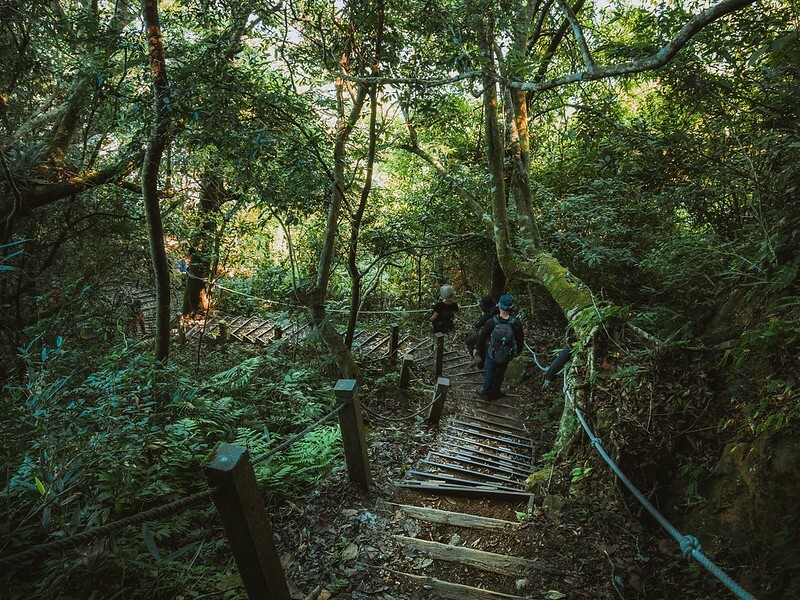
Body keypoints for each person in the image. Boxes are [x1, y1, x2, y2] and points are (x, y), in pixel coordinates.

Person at [474, 294, 524, 400]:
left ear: (499, 306)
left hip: (492, 352)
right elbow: (520, 339)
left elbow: (482, 337)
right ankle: (496, 391)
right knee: (501, 371)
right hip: (507, 352)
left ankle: (486, 392)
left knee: (490, 371)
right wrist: (518, 351)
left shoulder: (492, 322)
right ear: (511, 307)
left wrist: (476, 348)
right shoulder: (515, 323)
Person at [466, 295, 499, 368]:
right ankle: (480, 363)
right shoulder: (498, 310)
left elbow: (477, 325)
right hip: (495, 334)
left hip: (487, 335)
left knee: (470, 341)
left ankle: (477, 357)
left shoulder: (487, 315)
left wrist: (482, 316)